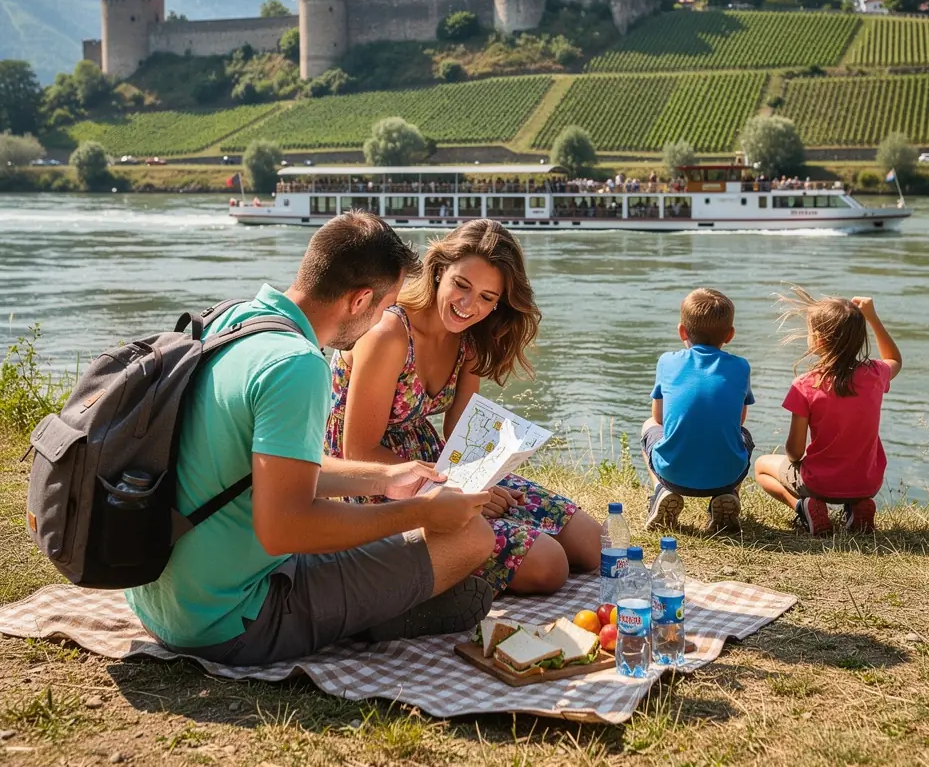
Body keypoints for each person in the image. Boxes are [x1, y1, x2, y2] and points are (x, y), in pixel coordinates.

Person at [125, 212, 496, 667]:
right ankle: (379, 613)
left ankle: (378, 604)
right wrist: (420, 513)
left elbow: (268, 468)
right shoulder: (297, 366)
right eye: (386, 307)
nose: (385, 320)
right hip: (230, 620)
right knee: (472, 537)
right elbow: (287, 527)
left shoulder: (236, 317)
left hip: (158, 597)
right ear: (361, 300)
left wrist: (384, 478)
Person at [326, 219, 601, 596]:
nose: (469, 306)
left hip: (438, 465)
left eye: (487, 297)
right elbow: (357, 450)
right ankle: (431, 574)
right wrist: (450, 489)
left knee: (594, 543)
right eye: (462, 285)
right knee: (549, 565)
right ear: (440, 271)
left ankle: (454, 561)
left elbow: (460, 428)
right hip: (376, 479)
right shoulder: (389, 334)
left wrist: (482, 481)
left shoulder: (467, 338)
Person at [754, 290, 902, 535]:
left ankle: (804, 508)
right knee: (853, 482)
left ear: (819, 340)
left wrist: (796, 459)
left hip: (819, 485)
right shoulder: (875, 374)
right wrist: (873, 318)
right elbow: (894, 359)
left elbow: (795, 452)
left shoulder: (805, 385)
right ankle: (858, 507)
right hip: (866, 484)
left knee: (761, 466)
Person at [641, 288, 755, 533]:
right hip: (727, 475)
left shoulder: (667, 361)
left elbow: (659, 418)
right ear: (730, 335)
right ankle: (728, 494)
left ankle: (661, 490)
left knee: (648, 425)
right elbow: (739, 421)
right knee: (744, 435)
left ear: (682, 331)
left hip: (673, 474)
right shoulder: (741, 366)